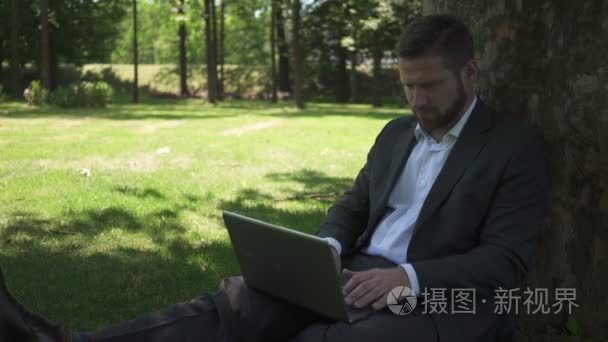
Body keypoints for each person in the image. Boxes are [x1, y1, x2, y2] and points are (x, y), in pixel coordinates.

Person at [0, 14, 547, 342]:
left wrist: (408, 277)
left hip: (436, 298)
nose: (417, 101)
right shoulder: (395, 134)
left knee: (328, 337)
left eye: (429, 86)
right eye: (408, 87)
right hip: (356, 271)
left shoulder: (511, 147)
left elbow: (505, 261)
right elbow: (355, 203)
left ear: (470, 73)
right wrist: (330, 245)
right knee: (238, 301)